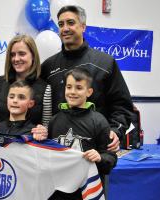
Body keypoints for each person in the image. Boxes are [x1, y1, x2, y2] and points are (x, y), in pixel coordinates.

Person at [41, 5, 133, 151]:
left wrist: (116, 131)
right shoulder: (48, 66)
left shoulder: (105, 63)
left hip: (96, 153)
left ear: (83, 27)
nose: (65, 28)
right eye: (61, 24)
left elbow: (122, 106)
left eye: (70, 23)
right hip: (57, 153)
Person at [47, 68, 117, 200]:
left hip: (86, 192)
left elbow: (111, 158)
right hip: (57, 191)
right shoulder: (54, 120)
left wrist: (100, 157)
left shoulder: (99, 121)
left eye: (79, 88)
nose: (72, 92)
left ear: (89, 92)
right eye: (69, 87)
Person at [0, 34, 52, 139]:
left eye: (22, 54)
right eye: (12, 55)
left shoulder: (45, 88)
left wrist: (43, 131)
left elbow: (46, 123)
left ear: (33, 56)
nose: (16, 59)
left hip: (28, 147)